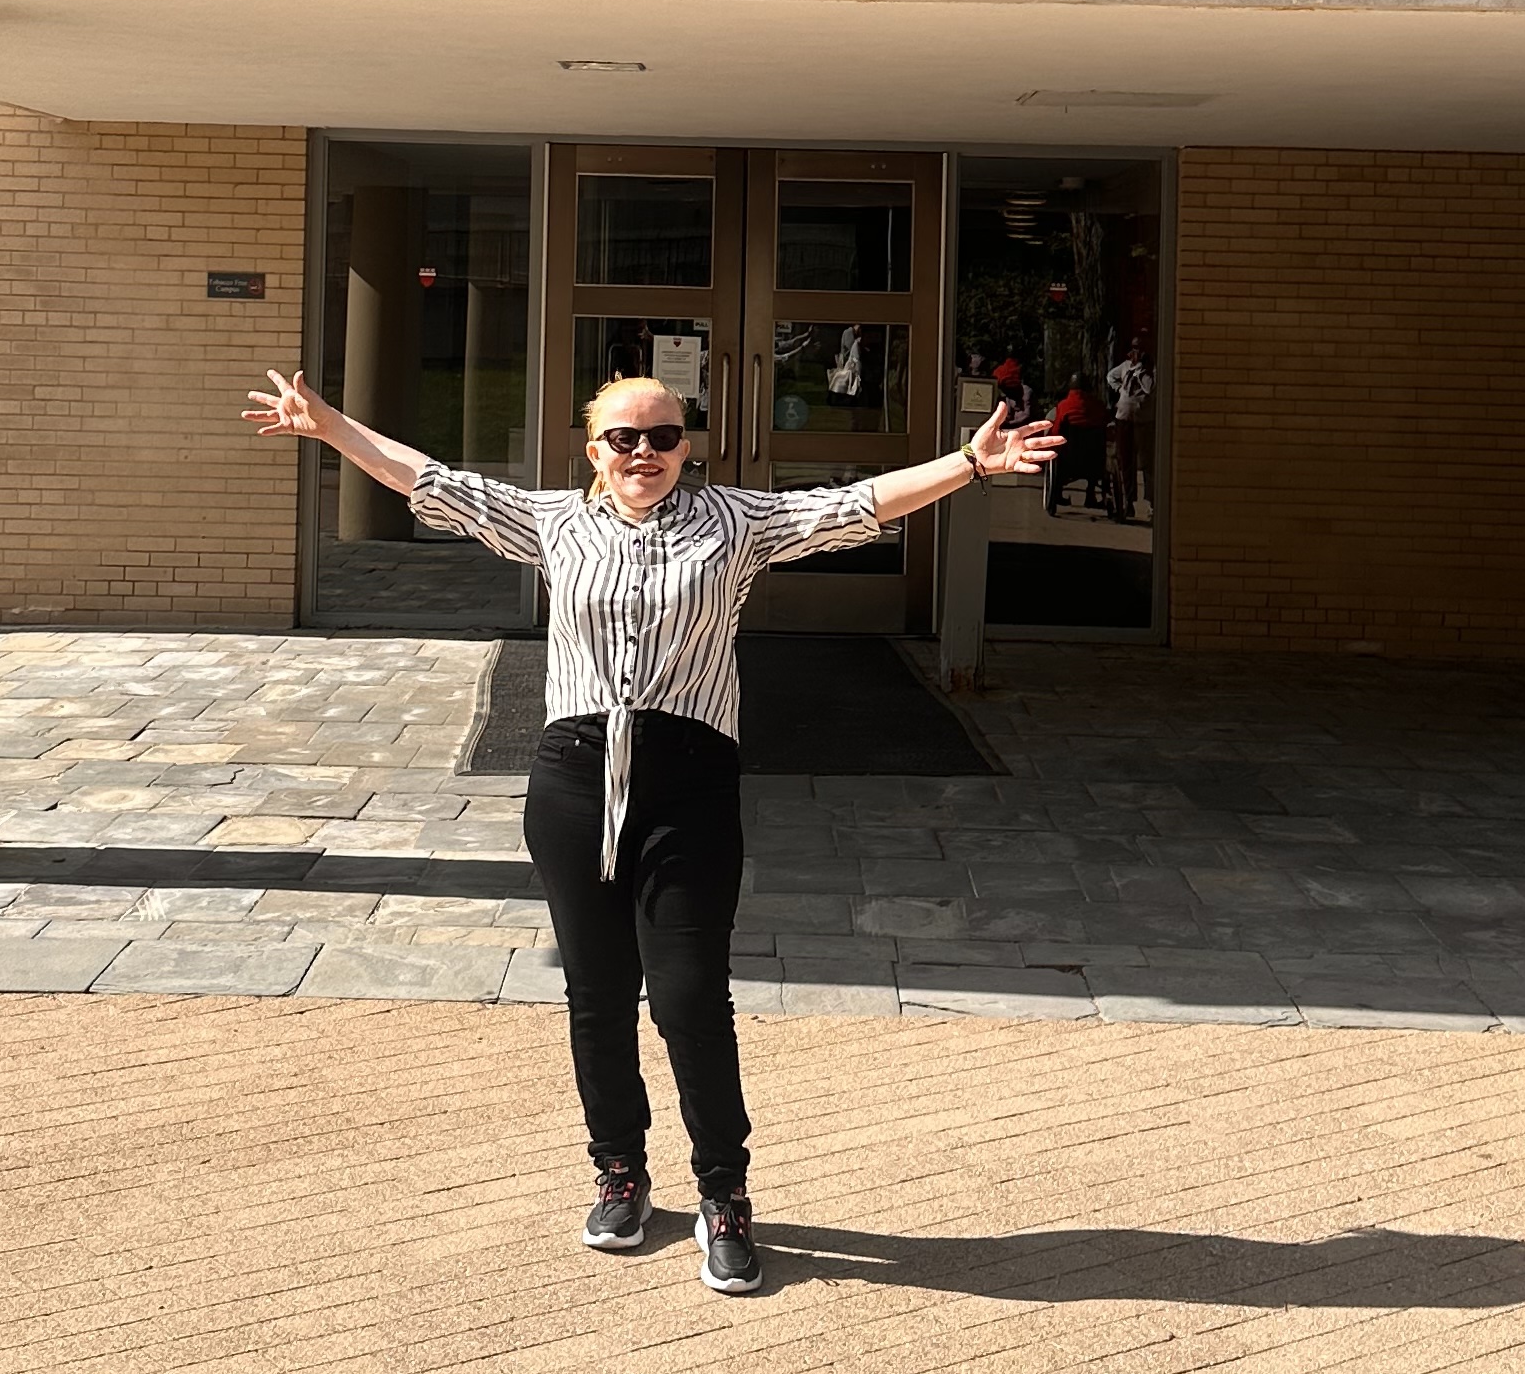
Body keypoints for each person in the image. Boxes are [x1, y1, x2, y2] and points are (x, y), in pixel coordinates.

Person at [246, 362, 1063, 1294]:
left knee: (687, 999)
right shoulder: (555, 523)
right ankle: (620, 1174)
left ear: (689, 446)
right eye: (624, 439)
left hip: (689, 784)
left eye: (664, 437)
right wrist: (330, 427)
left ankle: (725, 1194)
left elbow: (858, 502)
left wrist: (968, 461)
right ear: (593, 451)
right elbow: (425, 478)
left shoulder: (737, 524)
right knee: (596, 996)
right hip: (573, 781)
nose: (645, 454)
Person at [1105, 331, 1155, 523]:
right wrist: (1119, 390)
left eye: (1140, 348)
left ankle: (1151, 502)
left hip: (1144, 421)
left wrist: (1141, 370)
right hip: (1124, 418)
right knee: (1126, 461)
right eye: (1135, 348)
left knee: (1147, 463)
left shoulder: (1151, 369)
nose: (1137, 352)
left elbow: (1150, 388)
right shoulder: (1125, 367)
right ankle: (1128, 501)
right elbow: (1111, 377)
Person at [1044, 371, 1105, 517]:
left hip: (1068, 459)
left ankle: (1057, 493)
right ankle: (1091, 495)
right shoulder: (1098, 406)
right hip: (1094, 460)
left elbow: (1056, 431)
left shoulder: (1064, 406)